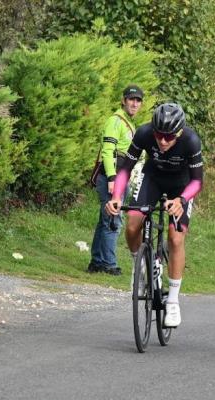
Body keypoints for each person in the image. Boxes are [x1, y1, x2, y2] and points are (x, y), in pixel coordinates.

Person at [106, 102, 204, 327]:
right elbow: (126, 169)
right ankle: (141, 268)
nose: (162, 141)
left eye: (169, 137)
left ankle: (172, 301)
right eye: (159, 135)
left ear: (179, 133)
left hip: (182, 186)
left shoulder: (191, 141)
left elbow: (198, 181)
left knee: (175, 237)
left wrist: (181, 200)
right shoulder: (143, 133)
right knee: (132, 224)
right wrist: (117, 196)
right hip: (153, 179)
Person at [88, 85, 144, 275]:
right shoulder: (115, 121)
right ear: (123, 100)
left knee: (105, 219)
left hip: (121, 177)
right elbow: (108, 151)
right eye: (131, 99)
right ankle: (109, 264)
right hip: (113, 178)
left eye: (138, 100)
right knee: (114, 220)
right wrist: (112, 178)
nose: (134, 103)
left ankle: (96, 262)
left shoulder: (129, 123)